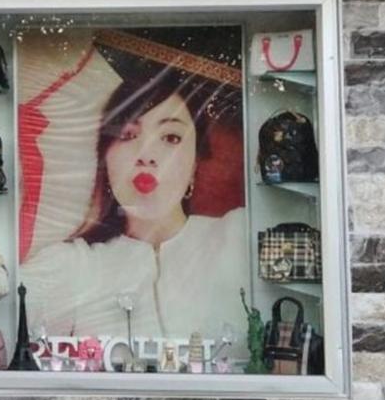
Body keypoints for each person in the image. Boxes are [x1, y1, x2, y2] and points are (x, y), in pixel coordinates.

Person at [22, 69, 248, 345]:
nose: (146, 155)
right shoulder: (74, 265)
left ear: (194, 163)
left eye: (171, 137)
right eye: (128, 135)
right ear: (105, 157)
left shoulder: (237, 238)